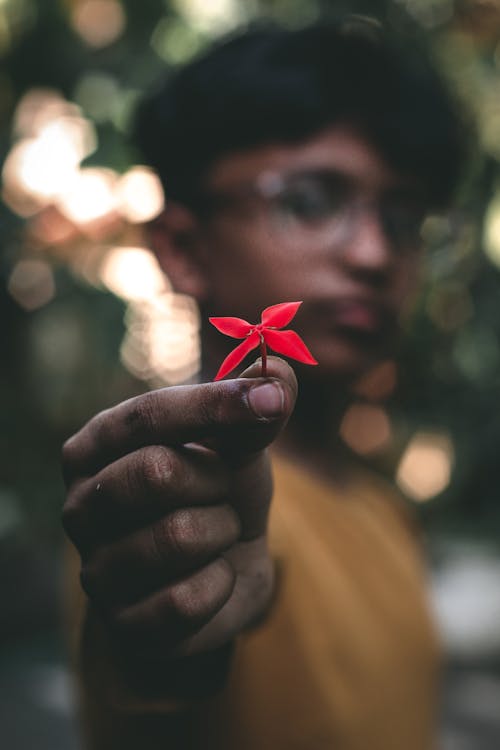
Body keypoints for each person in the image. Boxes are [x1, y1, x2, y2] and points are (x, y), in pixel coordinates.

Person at [61, 16, 465, 750]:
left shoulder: (381, 509)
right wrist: (172, 638)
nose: (376, 253)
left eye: (403, 217)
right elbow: (165, 637)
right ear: (182, 247)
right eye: (310, 200)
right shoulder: (175, 497)